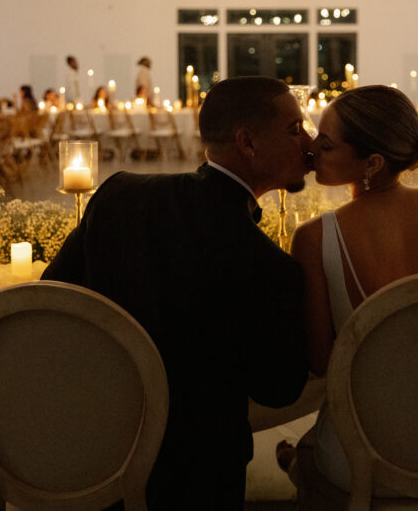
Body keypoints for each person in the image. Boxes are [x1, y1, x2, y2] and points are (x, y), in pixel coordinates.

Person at [42, 76, 311, 510]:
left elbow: (53, 300)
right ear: (247, 141)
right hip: (204, 479)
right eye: (295, 128)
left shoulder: (119, 195)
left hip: (98, 458)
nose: (309, 141)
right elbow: (279, 389)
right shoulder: (270, 268)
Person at [281, 85, 418, 493]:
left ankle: (305, 467)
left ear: (372, 163)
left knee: (311, 453)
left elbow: (321, 362)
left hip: (363, 457)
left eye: (325, 144)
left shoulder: (315, 238)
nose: (311, 151)